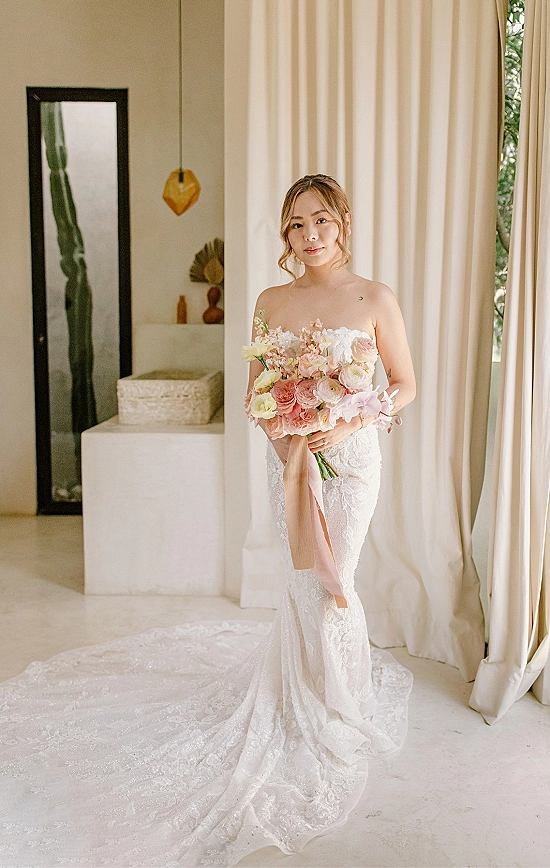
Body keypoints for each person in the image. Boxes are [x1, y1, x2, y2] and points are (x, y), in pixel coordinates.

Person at [0, 175, 415, 868]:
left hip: (352, 461)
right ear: (285, 236)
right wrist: (286, 431)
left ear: (341, 221)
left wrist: (345, 415)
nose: (309, 235)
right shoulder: (270, 301)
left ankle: (337, 702)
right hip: (287, 457)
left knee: (336, 578)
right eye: (294, 225)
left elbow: (404, 382)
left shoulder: (376, 298)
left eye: (319, 220)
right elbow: (260, 393)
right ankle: (303, 701)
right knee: (304, 580)